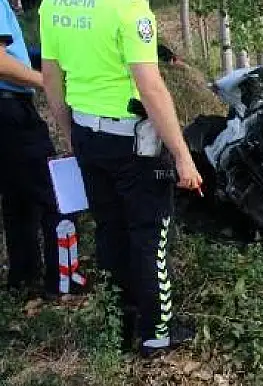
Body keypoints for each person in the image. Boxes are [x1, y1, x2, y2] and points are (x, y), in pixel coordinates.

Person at [38, 0, 203, 356]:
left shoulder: (52, 5)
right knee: (149, 233)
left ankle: (120, 324)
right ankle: (157, 331)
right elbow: (150, 87)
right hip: (133, 142)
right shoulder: (129, 9)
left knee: (109, 229)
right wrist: (182, 156)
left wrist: (70, 134)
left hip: (86, 133)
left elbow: (51, 78)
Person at [0, 0, 84, 299]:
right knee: (58, 194)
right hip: (10, 109)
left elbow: (17, 54)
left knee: (18, 199)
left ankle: (23, 279)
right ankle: (63, 282)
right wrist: (47, 81)